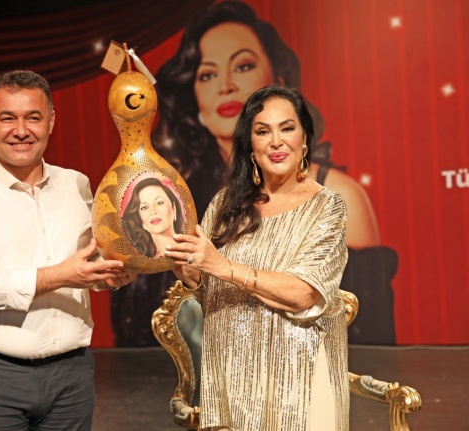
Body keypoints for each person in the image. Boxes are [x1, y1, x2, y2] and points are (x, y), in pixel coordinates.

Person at [114, 0, 396, 346]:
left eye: (243, 66)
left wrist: (222, 266)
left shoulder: (334, 200)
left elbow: (311, 298)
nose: (226, 85)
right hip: (230, 364)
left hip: (303, 366)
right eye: (207, 74)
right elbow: (206, 295)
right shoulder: (215, 199)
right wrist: (186, 272)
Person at [0, 70, 136, 430]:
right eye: (7, 118)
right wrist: (60, 276)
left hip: (71, 376)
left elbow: (88, 265)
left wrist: (116, 272)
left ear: (51, 121)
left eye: (33, 117)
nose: (21, 130)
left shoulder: (76, 184)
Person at [165, 85, 349, 430]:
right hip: (232, 374)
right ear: (250, 145)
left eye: (287, 128)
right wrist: (184, 266)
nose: (276, 142)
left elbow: (303, 293)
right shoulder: (225, 203)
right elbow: (207, 287)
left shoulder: (327, 206)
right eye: (263, 131)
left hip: (299, 381)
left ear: (304, 137)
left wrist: (221, 266)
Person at [122, 176, 186, 258]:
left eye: (159, 203)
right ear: (140, 219)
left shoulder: (195, 249)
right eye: (144, 207)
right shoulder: (140, 263)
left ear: (174, 208)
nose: (153, 211)